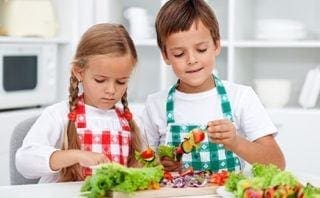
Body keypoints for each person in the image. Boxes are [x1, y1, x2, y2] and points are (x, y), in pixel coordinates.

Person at [141, 0, 285, 172]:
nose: (192, 60)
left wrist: (235, 142)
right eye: (179, 54)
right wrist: (161, 164)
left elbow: (277, 163)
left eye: (201, 49)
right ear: (165, 55)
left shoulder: (240, 97)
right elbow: (141, 162)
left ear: (216, 45)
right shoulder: (156, 104)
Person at [16, 23, 144, 182]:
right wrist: (74, 155)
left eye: (121, 82)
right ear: (79, 72)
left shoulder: (133, 121)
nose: (111, 90)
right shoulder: (58, 115)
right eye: (100, 80)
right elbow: (24, 161)